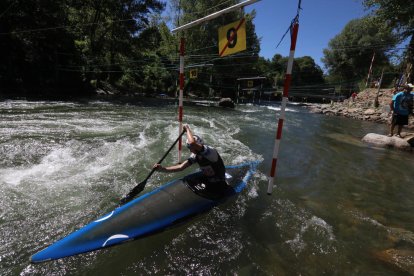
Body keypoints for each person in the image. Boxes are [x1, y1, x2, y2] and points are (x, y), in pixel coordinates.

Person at [153, 124, 229, 197]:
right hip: (208, 179)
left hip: (220, 182)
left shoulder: (210, 152)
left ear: (199, 145)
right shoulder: (195, 155)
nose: (191, 150)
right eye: (189, 148)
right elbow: (180, 167)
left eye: (191, 148)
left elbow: (192, 143)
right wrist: (162, 169)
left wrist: (187, 129)